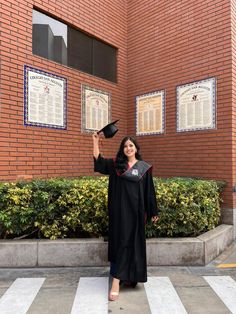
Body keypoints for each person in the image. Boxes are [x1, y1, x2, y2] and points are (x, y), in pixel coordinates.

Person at [92, 132, 159, 301]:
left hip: (136, 214)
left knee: (133, 244)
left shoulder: (144, 168)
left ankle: (129, 277)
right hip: (119, 214)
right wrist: (95, 142)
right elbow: (99, 162)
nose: (128, 148)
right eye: (125, 146)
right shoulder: (117, 166)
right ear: (122, 149)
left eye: (131, 145)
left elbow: (149, 192)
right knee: (121, 244)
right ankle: (116, 280)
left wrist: (153, 211)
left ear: (136, 148)